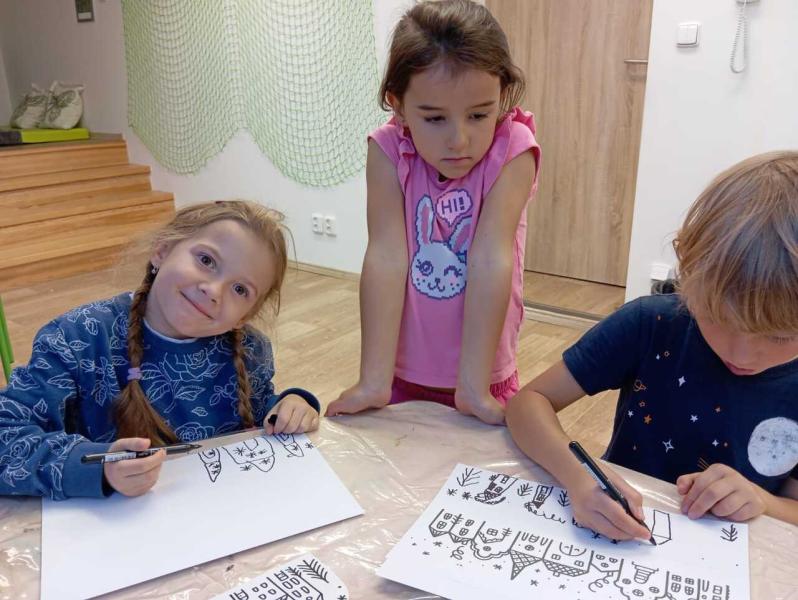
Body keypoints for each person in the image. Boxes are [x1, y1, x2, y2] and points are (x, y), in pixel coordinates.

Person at [506, 151, 798, 538]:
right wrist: (577, 475)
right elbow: (527, 404)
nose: (742, 353)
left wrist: (763, 501)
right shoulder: (652, 324)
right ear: (688, 270)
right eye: (720, 319)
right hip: (614, 533)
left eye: (780, 336)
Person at [0, 200, 321, 500]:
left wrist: (290, 404)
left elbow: (258, 412)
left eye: (240, 289)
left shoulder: (251, 350)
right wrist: (98, 469)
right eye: (206, 261)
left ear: (245, 316)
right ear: (163, 250)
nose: (213, 290)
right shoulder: (75, 338)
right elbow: (7, 438)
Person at [327, 0, 540, 425]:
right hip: (400, 375)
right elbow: (387, 256)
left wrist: (474, 388)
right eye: (435, 118)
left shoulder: (513, 147)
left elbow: (490, 257)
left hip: (483, 378)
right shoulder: (387, 149)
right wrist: (373, 381)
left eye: (479, 115)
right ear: (398, 104)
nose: (459, 140)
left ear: (502, 95)